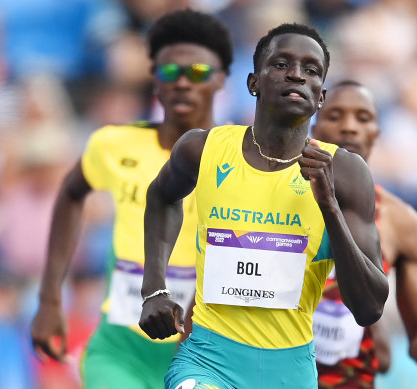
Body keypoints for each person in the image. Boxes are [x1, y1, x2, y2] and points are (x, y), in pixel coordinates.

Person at [139, 23, 389, 389]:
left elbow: (369, 307)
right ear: (253, 82)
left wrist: (329, 207)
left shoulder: (346, 172)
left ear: (321, 96)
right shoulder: (202, 149)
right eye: (281, 64)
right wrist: (155, 289)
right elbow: (161, 196)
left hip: (290, 370)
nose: (296, 75)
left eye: (311, 70)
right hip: (208, 359)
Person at [30, 9, 233, 389]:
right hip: (120, 353)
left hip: (203, 358)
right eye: (171, 72)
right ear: (154, 78)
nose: (184, 83)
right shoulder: (114, 144)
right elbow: (71, 193)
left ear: (222, 80)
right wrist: (50, 299)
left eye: (200, 73)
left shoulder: (240, 157)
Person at [311, 80, 417, 388]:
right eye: (335, 116)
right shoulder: (277, 198)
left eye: (363, 118)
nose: (349, 127)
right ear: (314, 127)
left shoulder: (402, 224)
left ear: (377, 134)